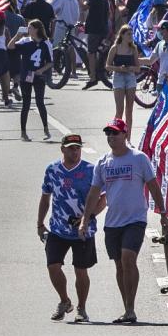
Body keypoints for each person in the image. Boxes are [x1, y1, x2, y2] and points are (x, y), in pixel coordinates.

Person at [79, 118, 168, 324]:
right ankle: (127, 307)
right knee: (120, 266)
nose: (111, 137)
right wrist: (85, 219)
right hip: (113, 222)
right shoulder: (103, 162)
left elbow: (153, 185)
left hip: (135, 219)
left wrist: (163, 212)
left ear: (125, 135)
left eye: (115, 133)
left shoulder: (139, 158)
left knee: (128, 259)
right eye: (108, 134)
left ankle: (131, 308)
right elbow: (94, 193)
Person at [38, 134, 105, 323]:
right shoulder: (52, 170)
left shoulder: (90, 170)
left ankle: (81, 308)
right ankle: (64, 300)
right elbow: (45, 197)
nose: (75, 151)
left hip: (83, 230)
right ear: (63, 149)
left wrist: (88, 217)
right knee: (53, 266)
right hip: (57, 229)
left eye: (77, 148)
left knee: (81, 270)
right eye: (71, 148)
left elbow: (102, 199)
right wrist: (39, 223)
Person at [8, 19, 53, 142]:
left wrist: (41, 70)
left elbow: (50, 62)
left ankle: (46, 129)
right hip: (26, 76)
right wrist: (17, 35)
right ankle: (23, 132)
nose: (28, 30)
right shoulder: (25, 42)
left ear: (37, 29)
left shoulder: (45, 43)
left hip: (38, 76)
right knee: (26, 104)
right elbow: (10, 46)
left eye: (30, 27)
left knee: (40, 102)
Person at [105, 26, 141, 138]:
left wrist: (130, 68)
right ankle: (116, 135)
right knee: (119, 109)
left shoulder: (133, 49)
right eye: (128, 34)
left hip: (130, 77)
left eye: (131, 34)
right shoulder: (115, 48)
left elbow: (138, 68)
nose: (131, 36)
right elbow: (107, 66)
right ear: (122, 35)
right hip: (118, 76)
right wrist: (119, 68)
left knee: (129, 110)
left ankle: (128, 137)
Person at [82, 0, 110, 90]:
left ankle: (92, 77)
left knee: (91, 53)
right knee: (100, 51)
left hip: (94, 30)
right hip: (103, 29)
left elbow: (85, 7)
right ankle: (100, 70)